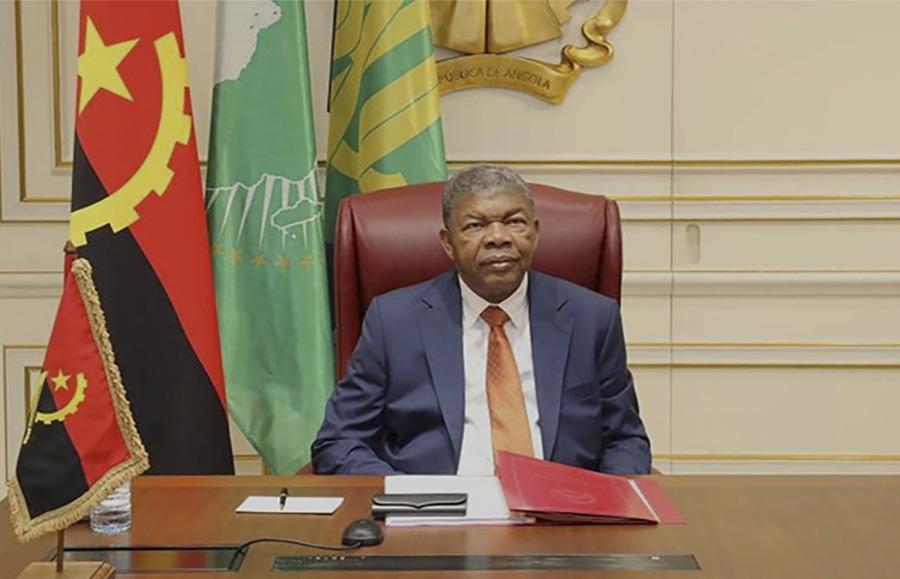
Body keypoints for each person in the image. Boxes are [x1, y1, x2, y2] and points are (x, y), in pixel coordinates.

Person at [312, 164, 651, 475]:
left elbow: (625, 440)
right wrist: (408, 496)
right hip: (437, 511)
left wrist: (606, 501)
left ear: (535, 233)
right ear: (447, 243)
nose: (498, 237)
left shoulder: (592, 317)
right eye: (475, 225)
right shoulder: (393, 321)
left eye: (514, 222)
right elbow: (339, 441)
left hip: (562, 510)